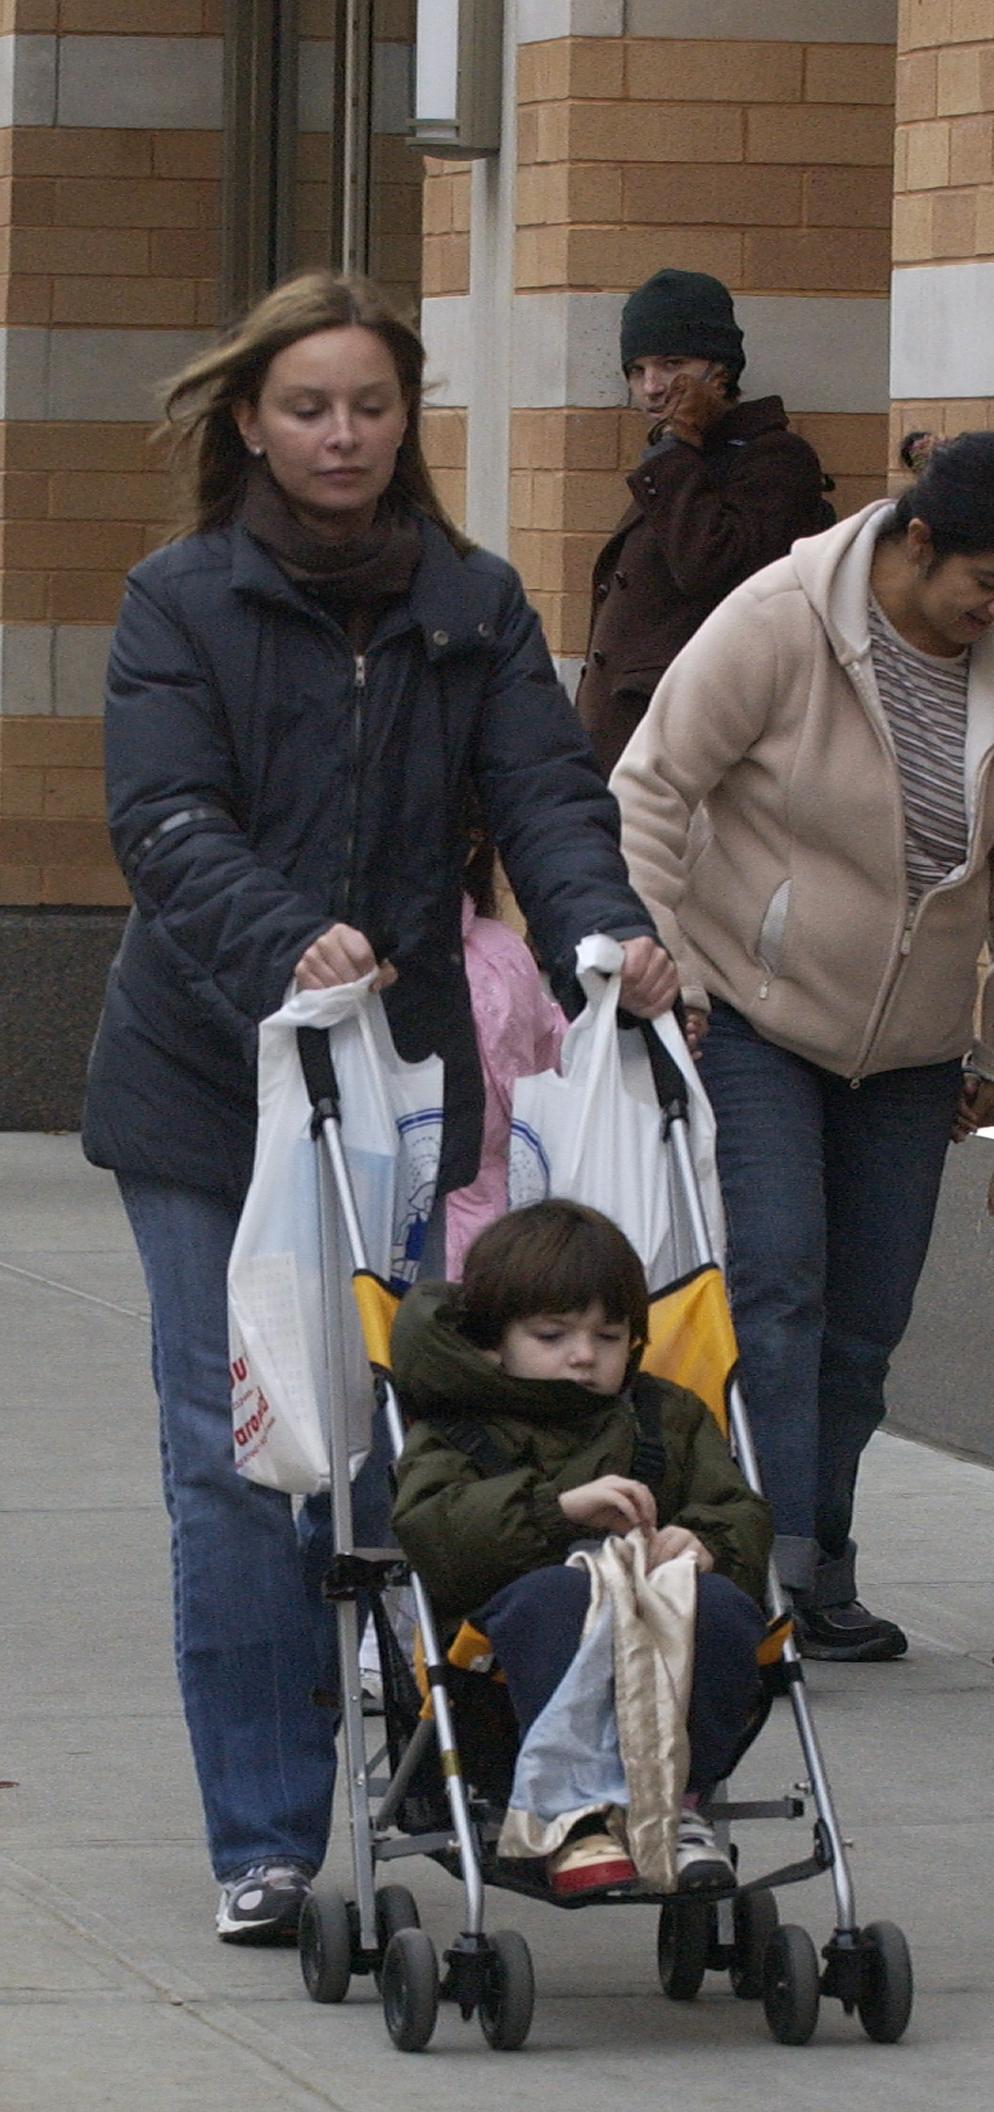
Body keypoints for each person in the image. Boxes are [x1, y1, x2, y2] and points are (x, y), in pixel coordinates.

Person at [81, 270, 677, 1944]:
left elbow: (547, 796)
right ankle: (265, 1839)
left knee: (423, 1446)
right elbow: (165, 819)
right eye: (305, 408)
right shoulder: (179, 600)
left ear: (403, 421)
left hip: (412, 1103)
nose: (340, 436)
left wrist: (598, 934)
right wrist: (287, 944)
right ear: (252, 423)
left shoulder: (470, 603)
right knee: (248, 1459)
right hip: (217, 1098)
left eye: (367, 406)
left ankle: (441, 1755)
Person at [611, 430, 994, 1661]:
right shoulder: (782, 617)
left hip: (917, 1041)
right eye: (984, 585)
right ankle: (756, 1565)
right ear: (917, 543)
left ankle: (822, 1554)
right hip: (751, 1012)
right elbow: (651, 788)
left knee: (867, 1319)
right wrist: (657, 965)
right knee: (775, 1285)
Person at [392, 1199, 771, 1899]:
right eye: (552, 1335)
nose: (583, 1355)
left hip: (657, 1625)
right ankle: (572, 1813)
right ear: (492, 1341)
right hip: (508, 1653)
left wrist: (708, 1542)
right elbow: (435, 1532)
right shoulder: (460, 1426)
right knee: (559, 1598)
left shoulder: (666, 1415)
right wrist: (557, 1512)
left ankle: (679, 1805)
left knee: (717, 1605)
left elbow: (735, 1509)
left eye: (608, 1336)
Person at [576, 267, 830, 777]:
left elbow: (712, 568)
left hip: (694, 751)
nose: (651, 387)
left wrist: (677, 445)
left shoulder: (772, 459)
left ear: (720, 372)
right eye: (637, 369)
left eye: (672, 364)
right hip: (626, 744)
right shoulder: (678, 460)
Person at [446, 825, 565, 1281]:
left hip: (504, 1221)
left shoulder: (502, 952)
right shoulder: (360, 955)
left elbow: (547, 1058)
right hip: (401, 1224)